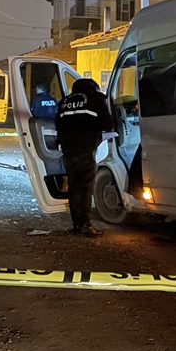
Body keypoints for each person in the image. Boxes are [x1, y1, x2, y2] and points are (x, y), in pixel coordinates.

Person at [54, 77, 110, 236]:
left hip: (68, 151)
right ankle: (85, 225)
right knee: (86, 188)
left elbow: (58, 124)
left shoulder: (64, 101)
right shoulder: (95, 99)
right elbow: (108, 124)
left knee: (74, 187)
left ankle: (76, 225)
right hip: (85, 150)